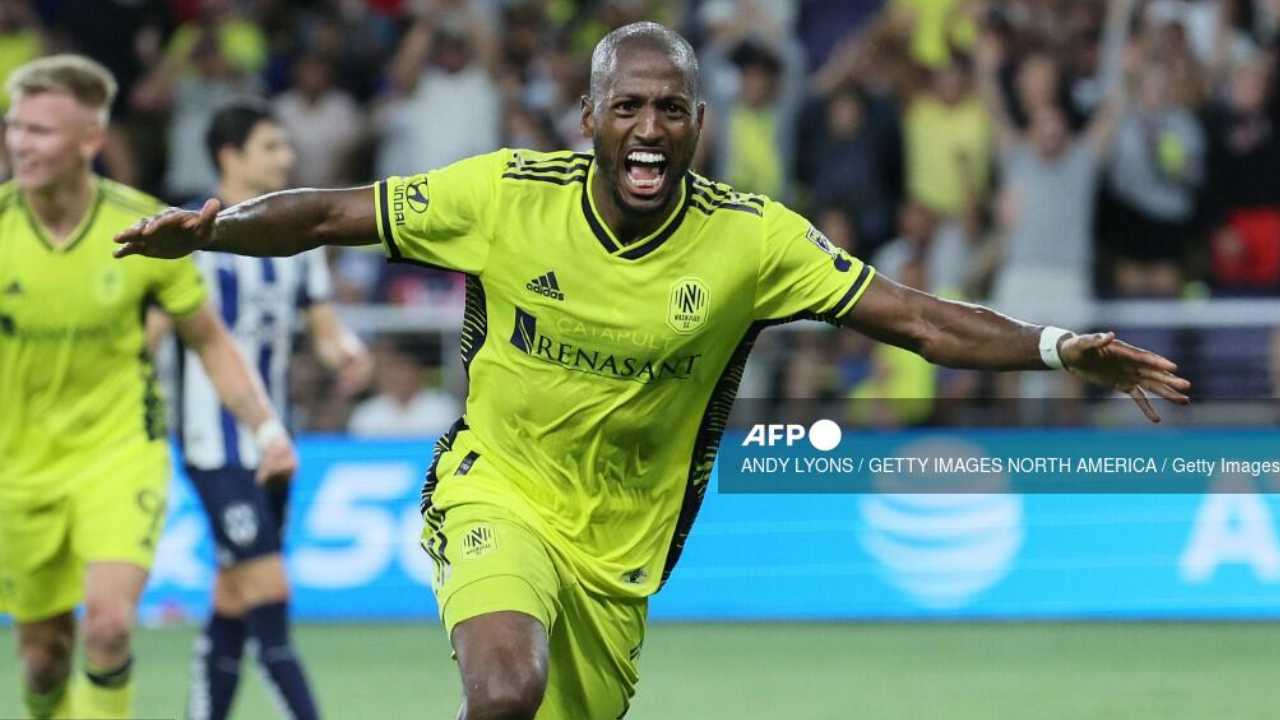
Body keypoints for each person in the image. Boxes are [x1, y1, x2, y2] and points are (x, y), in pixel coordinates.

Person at [116, 22, 1191, 720]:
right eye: (624, 107)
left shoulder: (752, 241)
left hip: (623, 553)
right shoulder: (502, 193)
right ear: (587, 118)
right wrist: (211, 232)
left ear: (696, 125)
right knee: (501, 692)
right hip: (496, 485)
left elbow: (915, 321)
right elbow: (329, 215)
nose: (645, 129)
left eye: (667, 109)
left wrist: (1055, 348)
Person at [0, 54, 296, 720]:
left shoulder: (143, 230)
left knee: (107, 626)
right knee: (43, 659)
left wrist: (266, 429)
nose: (20, 142)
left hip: (118, 454)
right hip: (17, 468)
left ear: (90, 142)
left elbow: (211, 343)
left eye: (40, 130)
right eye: (14, 127)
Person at [164, 101, 373, 720]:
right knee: (270, 597)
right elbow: (154, 330)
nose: (287, 157)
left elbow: (325, 325)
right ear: (230, 155)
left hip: (278, 441)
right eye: (271, 147)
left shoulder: (295, 237)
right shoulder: (187, 239)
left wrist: (346, 354)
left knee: (234, 596)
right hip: (214, 444)